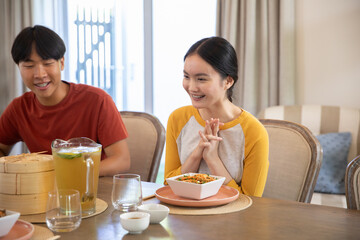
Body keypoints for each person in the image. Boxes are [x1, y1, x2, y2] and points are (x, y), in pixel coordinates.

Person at [0, 25, 130, 176]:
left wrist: (70, 174)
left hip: (90, 189)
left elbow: (121, 160)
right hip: (42, 193)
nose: (40, 74)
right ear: (19, 67)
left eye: (47, 64)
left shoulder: (98, 100)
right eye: (29, 66)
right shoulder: (19, 108)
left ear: (61, 63)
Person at [164, 37, 269, 197]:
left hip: (234, 220)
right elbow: (167, 186)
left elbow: (251, 201)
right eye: (186, 77)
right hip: (182, 217)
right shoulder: (178, 118)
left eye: (201, 79)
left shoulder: (253, 132)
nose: (191, 87)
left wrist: (213, 160)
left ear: (228, 81)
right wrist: (196, 155)